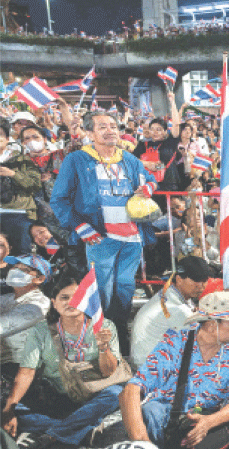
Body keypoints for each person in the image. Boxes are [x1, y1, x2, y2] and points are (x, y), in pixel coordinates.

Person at [119, 291, 229, 449]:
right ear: (211, 325)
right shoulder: (176, 341)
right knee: (150, 412)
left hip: (216, 415)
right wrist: (143, 443)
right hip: (171, 414)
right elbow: (132, 389)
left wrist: (208, 422)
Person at [50, 111, 158, 356]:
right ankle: (104, 343)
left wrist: (147, 188)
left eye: (113, 125)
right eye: (102, 127)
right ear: (90, 133)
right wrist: (81, 227)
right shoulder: (77, 160)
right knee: (102, 293)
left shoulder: (129, 159)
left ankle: (120, 336)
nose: (110, 130)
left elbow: (150, 179)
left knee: (125, 290)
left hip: (132, 238)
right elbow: (59, 200)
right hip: (100, 238)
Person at [2, 275, 124, 449]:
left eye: (77, 297)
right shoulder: (41, 330)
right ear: (54, 302)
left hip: (93, 396)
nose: (71, 302)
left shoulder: (104, 326)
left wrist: (103, 348)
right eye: (64, 298)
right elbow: (27, 372)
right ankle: (81, 429)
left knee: (116, 393)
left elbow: (109, 371)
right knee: (9, 409)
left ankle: (52, 436)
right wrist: (9, 408)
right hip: (57, 398)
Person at [130, 255, 210, 367]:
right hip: (149, 370)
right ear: (179, 279)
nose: (201, 286)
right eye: (196, 280)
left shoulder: (169, 293)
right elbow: (205, 342)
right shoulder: (177, 309)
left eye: (204, 280)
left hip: (149, 362)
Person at [0, 255, 51, 365]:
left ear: (40, 279)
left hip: (18, 366)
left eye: (24, 270)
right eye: (14, 267)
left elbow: (3, 326)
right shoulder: (8, 298)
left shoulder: (40, 303)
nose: (14, 271)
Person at [0, 120, 41, 255]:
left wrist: (13, 174)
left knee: (22, 256)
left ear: (7, 139)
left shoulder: (23, 160)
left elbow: (35, 185)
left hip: (20, 214)